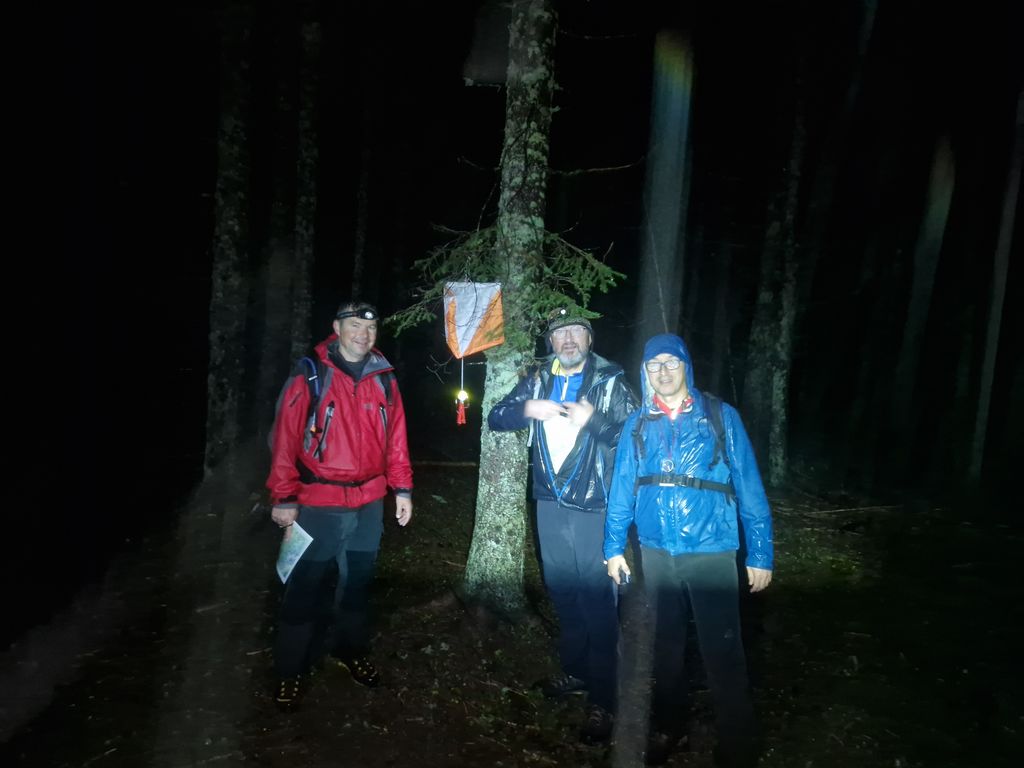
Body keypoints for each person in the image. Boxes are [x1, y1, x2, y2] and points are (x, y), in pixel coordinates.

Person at [603, 333, 773, 767]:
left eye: (671, 362)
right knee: (666, 646)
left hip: (712, 549)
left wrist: (760, 553)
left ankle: (738, 744)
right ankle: (670, 726)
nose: (663, 371)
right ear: (646, 372)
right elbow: (621, 489)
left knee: (723, 649)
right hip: (656, 552)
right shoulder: (637, 424)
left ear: (686, 367)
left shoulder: (719, 416)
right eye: (654, 364)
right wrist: (613, 546)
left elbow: (749, 486)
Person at [488, 309, 638, 744]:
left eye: (576, 332)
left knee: (598, 600)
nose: (568, 339)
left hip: (594, 505)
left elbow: (635, 440)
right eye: (560, 333)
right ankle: (576, 671)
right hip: (549, 501)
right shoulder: (537, 379)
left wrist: (593, 421)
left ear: (589, 339)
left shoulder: (610, 381)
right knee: (563, 592)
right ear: (551, 342)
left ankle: (604, 698)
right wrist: (527, 408)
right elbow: (497, 417)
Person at [267, 300, 413, 709]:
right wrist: (283, 496)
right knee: (304, 587)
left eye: (370, 328)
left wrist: (402, 489)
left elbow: (397, 438)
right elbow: (284, 438)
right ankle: (290, 670)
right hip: (318, 504)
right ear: (337, 328)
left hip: (368, 504)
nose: (363, 334)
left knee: (357, 585)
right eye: (354, 326)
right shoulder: (310, 374)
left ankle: (350, 650)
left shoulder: (384, 378)